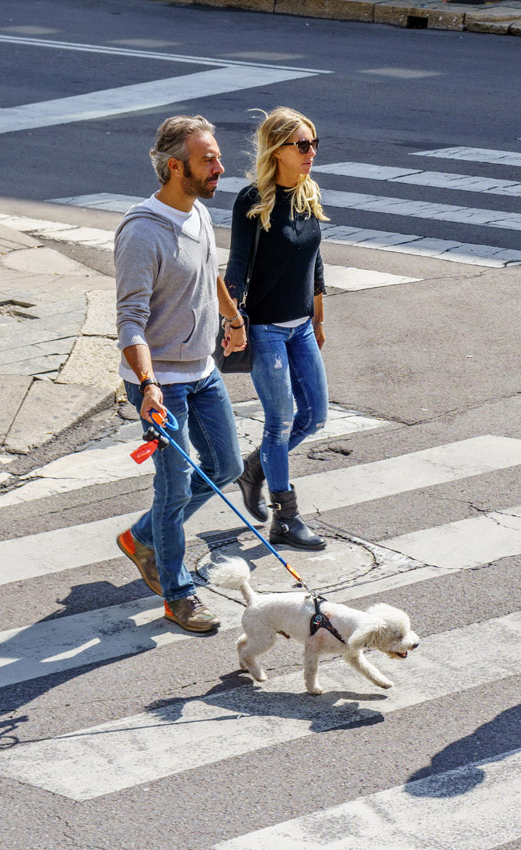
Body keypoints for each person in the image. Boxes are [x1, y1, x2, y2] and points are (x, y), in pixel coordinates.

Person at [114, 114, 246, 633]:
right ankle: (178, 594)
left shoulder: (196, 214)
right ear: (175, 167)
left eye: (216, 156)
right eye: (208, 159)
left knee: (226, 466)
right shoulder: (142, 233)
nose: (220, 167)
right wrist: (147, 387)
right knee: (175, 487)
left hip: (202, 370)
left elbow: (208, 269)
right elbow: (130, 322)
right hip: (160, 383)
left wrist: (232, 318)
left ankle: (142, 537)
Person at [225, 107, 330, 551]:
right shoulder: (253, 201)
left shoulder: (308, 192)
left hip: (302, 328)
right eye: (302, 145)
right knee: (281, 419)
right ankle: (285, 518)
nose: (311, 153)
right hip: (266, 329)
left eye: (314, 144)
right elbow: (236, 268)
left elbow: (314, 261)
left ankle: (255, 468)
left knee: (315, 415)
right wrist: (233, 320)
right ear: (278, 150)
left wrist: (319, 318)